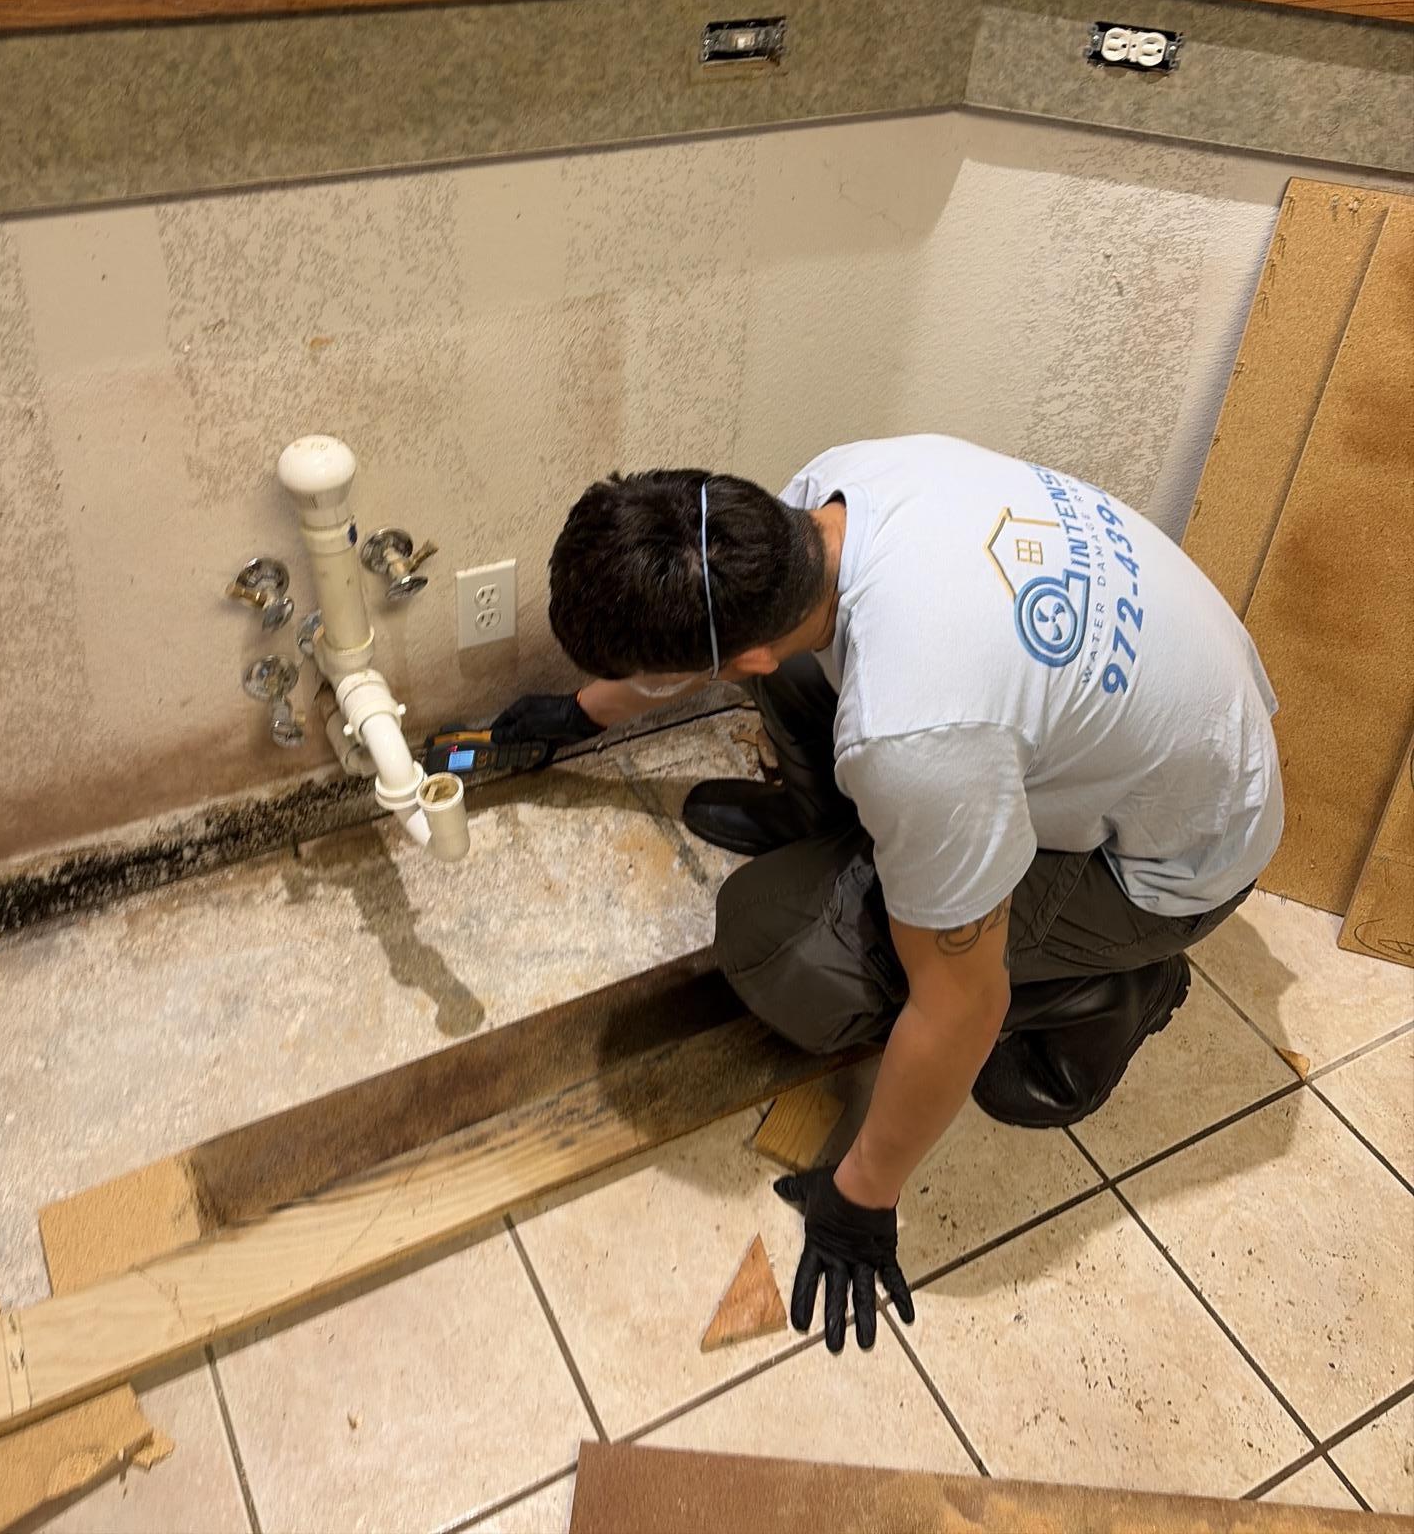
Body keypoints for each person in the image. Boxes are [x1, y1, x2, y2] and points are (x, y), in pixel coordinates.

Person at [490, 435, 1283, 1355]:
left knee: (770, 945)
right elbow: (746, 639)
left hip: (1167, 867)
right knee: (805, 670)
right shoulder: (831, 493)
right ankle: (884, 844)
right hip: (1176, 734)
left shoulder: (916, 730)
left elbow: (960, 1001)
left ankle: (1112, 988)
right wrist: (581, 715)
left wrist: (864, 1192)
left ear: (729, 657)